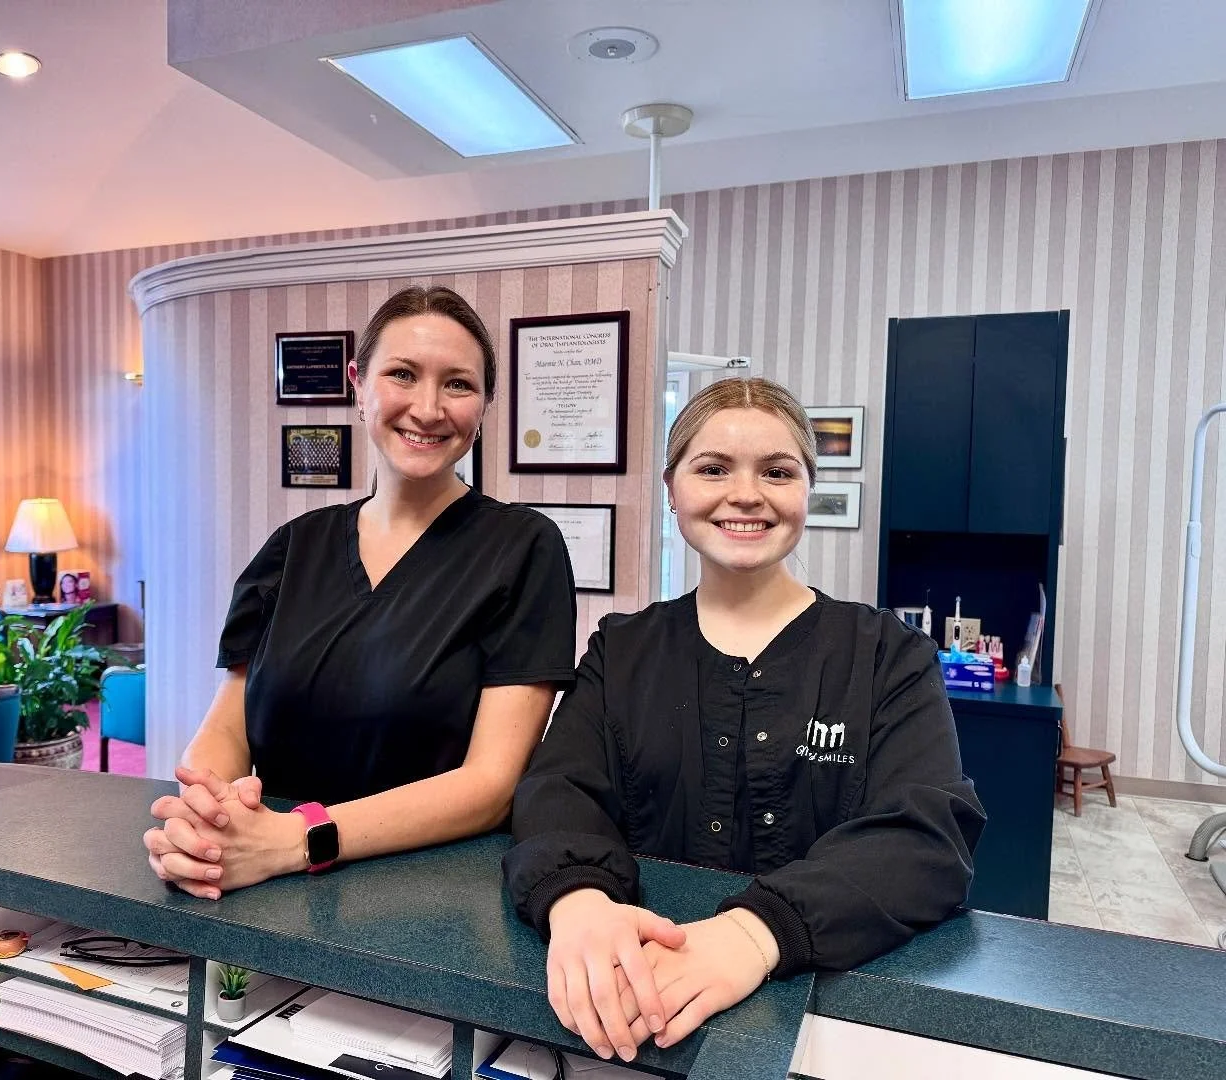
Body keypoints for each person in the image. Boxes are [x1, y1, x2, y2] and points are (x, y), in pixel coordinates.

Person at [503, 377, 986, 1062]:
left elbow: (926, 838)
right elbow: (558, 791)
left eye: (777, 471)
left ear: (805, 491)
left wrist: (757, 934)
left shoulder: (886, 656)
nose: (747, 494)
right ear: (672, 489)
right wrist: (577, 900)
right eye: (713, 468)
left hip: (828, 1021)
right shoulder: (623, 651)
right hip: (635, 1010)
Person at [143, 286, 578, 899]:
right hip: (262, 882)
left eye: (458, 384)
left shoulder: (522, 548)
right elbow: (229, 725)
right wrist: (202, 826)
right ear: (359, 383)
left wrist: (299, 839)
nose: (428, 409)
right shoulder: (293, 548)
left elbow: (491, 785)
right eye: (402, 374)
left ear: (484, 405)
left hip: (432, 900)